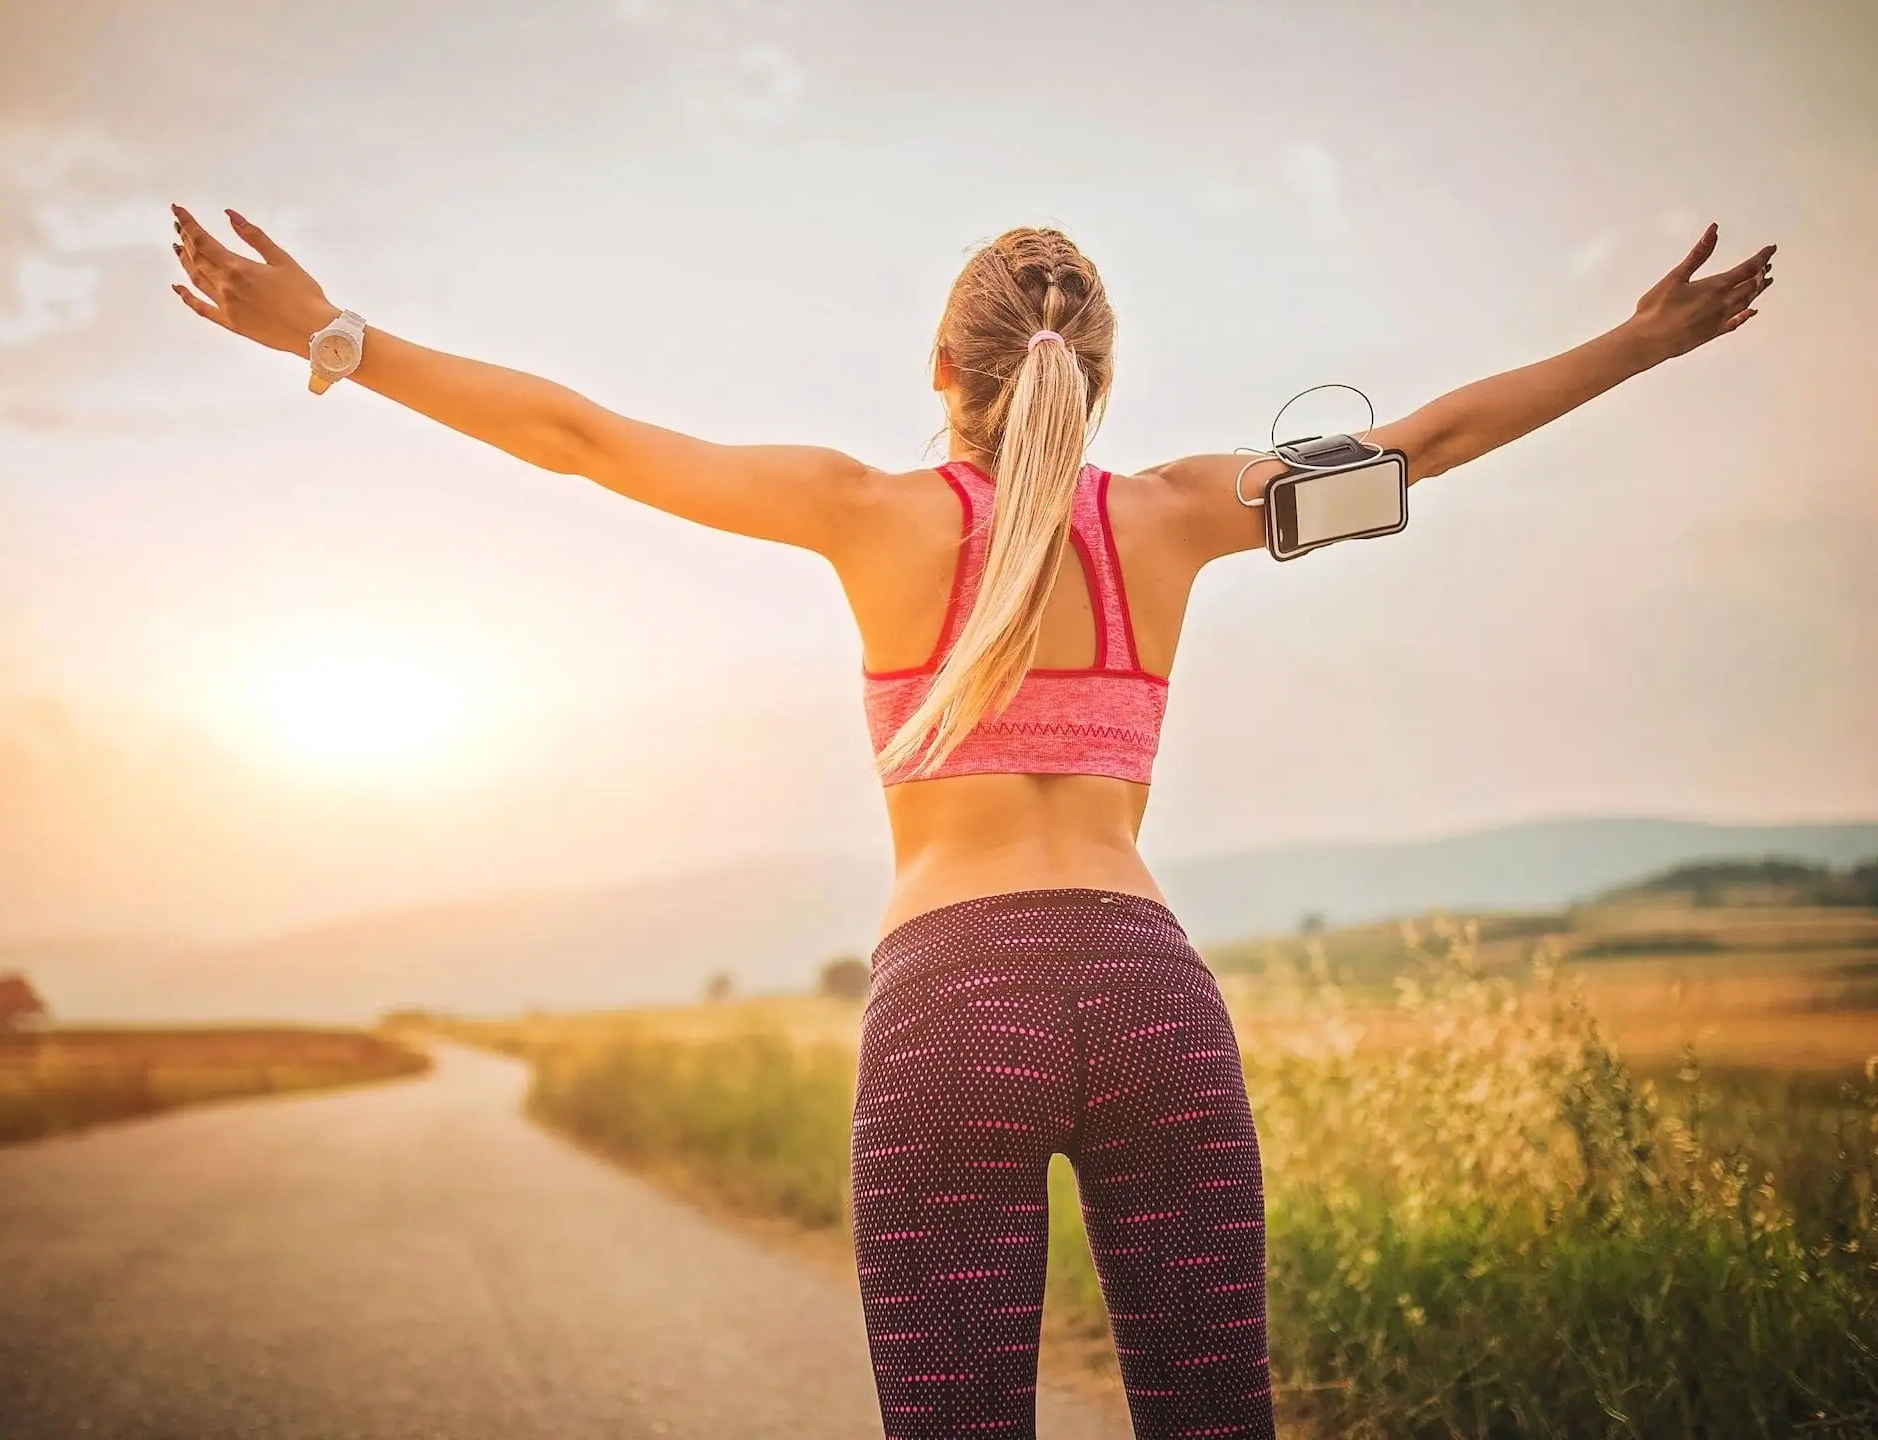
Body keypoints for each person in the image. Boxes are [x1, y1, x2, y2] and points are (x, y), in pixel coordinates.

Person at [170, 207, 1774, 1439]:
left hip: (950, 1011)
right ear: (1104, 381)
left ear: (943, 373)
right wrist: (1636, 345)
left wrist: (340, 337)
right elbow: (1438, 442)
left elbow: (583, 439)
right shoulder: (1177, 513)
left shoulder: (858, 513)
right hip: (1155, 997)